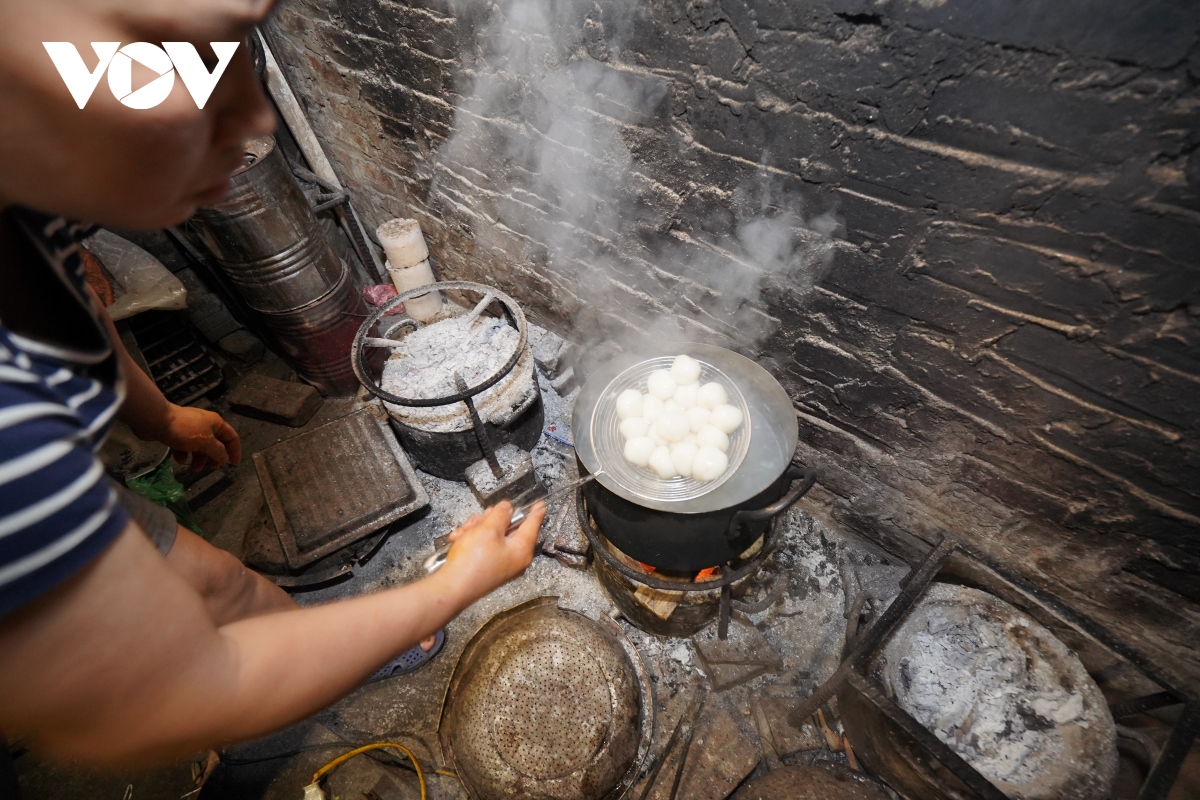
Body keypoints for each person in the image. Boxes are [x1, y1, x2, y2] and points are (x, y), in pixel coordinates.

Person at [0, 0, 546, 773]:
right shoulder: (8, 425)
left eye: (241, 48)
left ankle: (334, 650)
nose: (252, 117)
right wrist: (453, 587)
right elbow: (161, 703)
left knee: (217, 580)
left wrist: (160, 418)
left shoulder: (28, 189)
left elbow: (73, 315)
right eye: (182, 57)